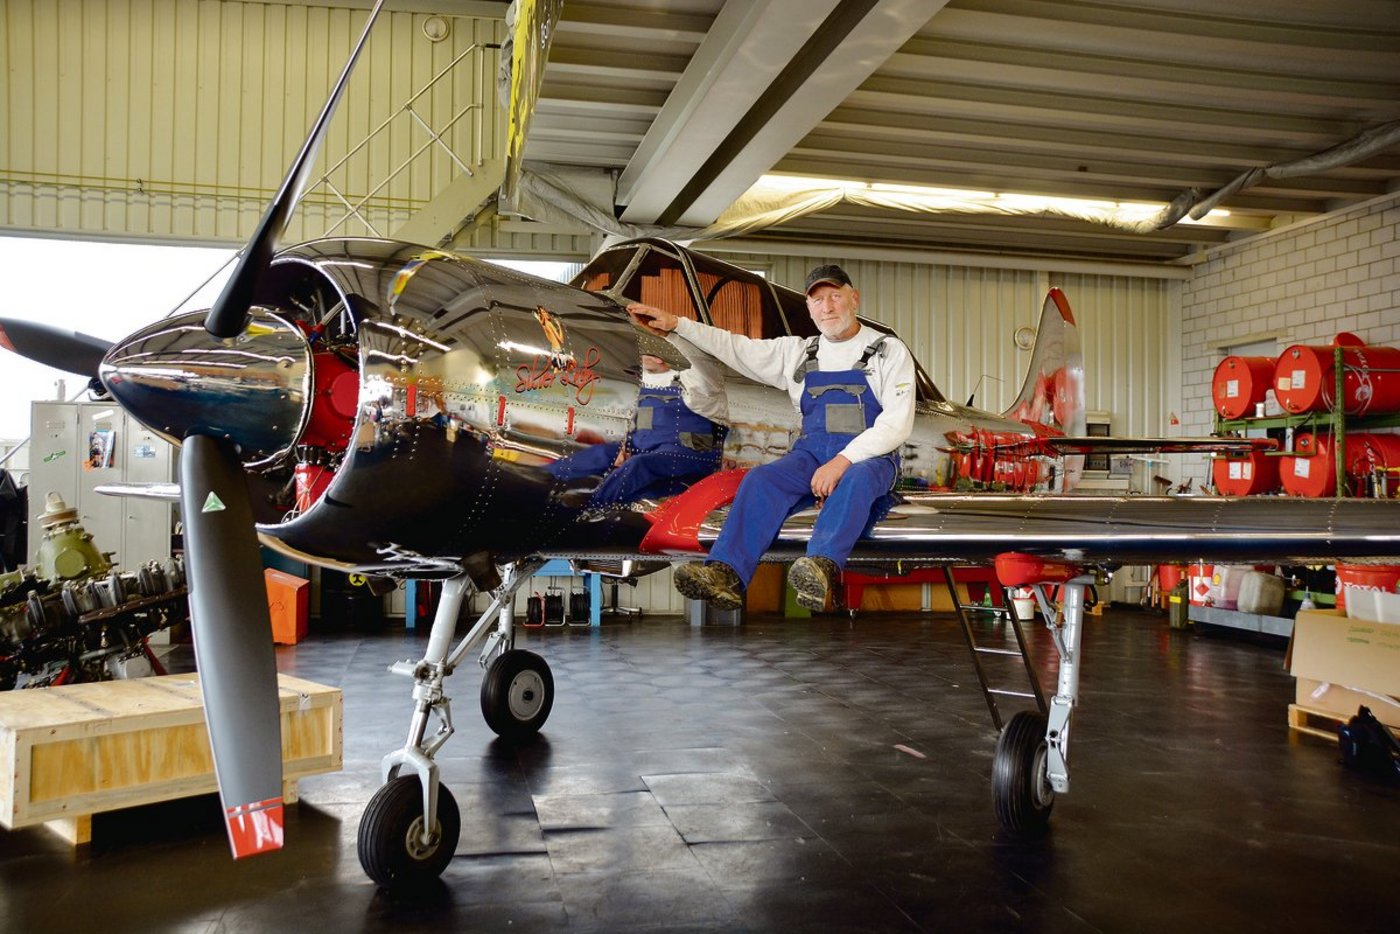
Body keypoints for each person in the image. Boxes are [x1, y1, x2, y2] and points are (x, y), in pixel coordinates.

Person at [627, 264, 915, 611]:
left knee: (856, 480)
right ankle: (727, 573)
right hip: (810, 453)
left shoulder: (888, 350)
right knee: (761, 479)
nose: (828, 307)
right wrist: (677, 325)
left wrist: (843, 461)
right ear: (809, 309)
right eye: (818, 300)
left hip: (872, 457)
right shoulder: (799, 352)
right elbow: (734, 347)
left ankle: (820, 567)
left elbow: (897, 423)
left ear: (854, 299)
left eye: (835, 296)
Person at [548, 341, 728, 507]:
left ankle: (593, 502)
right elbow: (634, 425)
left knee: (640, 464)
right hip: (645, 448)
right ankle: (544, 476)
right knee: (602, 453)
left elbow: (706, 370)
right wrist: (624, 446)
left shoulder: (692, 383)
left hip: (687, 452)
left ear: (657, 359)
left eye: (643, 357)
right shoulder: (640, 389)